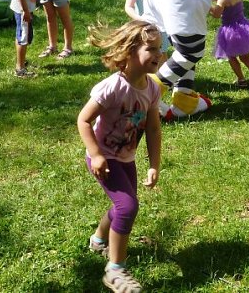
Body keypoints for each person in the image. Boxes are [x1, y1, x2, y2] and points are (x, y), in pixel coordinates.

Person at [79, 20, 162, 293]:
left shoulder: (152, 88)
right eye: (151, 49)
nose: (158, 55)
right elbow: (83, 120)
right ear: (129, 52)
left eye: (159, 49)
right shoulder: (112, 87)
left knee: (122, 206)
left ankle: (98, 239)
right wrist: (96, 154)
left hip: (126, 158)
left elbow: (152, 127)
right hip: (104, 158)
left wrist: (154, 165)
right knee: (127, 207)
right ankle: (115, 270)